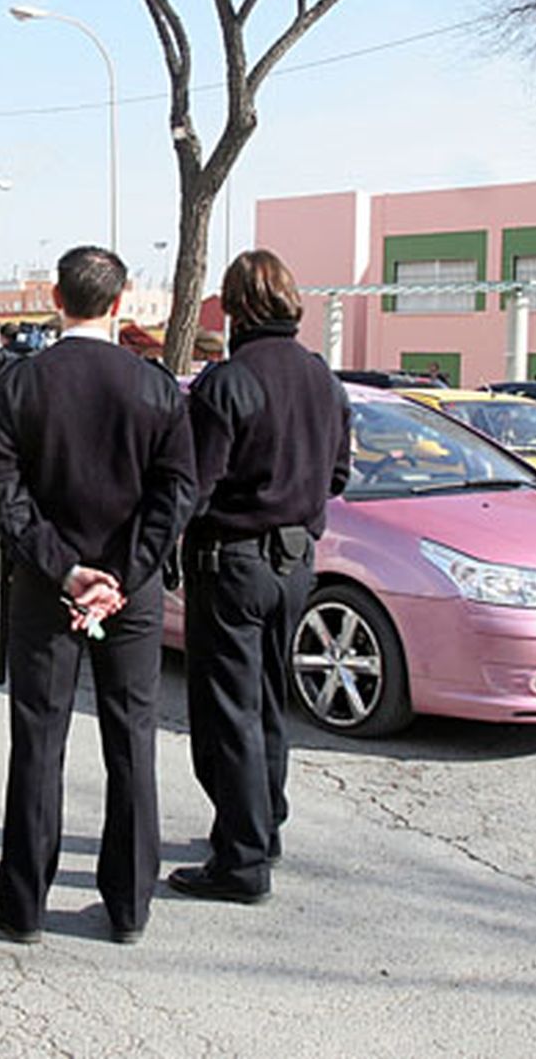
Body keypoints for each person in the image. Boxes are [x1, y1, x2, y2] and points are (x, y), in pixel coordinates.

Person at [0, 245, 196, 946]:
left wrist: (66, 570)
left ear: (55, 297)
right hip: (130, 590)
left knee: (38, 742)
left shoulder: (22, 383)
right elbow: (175, 494)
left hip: (48, 588)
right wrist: (123, 574)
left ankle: (23, 903)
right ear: (121, 300)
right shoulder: (154, 386)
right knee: (131, 740)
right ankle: (129, 905)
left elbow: (2, 490)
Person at [172, 249, 351, 905]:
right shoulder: (322, 378)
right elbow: (338, 475)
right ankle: (261, 826)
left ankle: (242, 861)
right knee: (269, 701)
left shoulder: (227, 383)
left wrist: (158, 546)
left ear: (235, 307)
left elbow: (194, 486)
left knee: (229, 714)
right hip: (296, 561)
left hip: (234, 561)